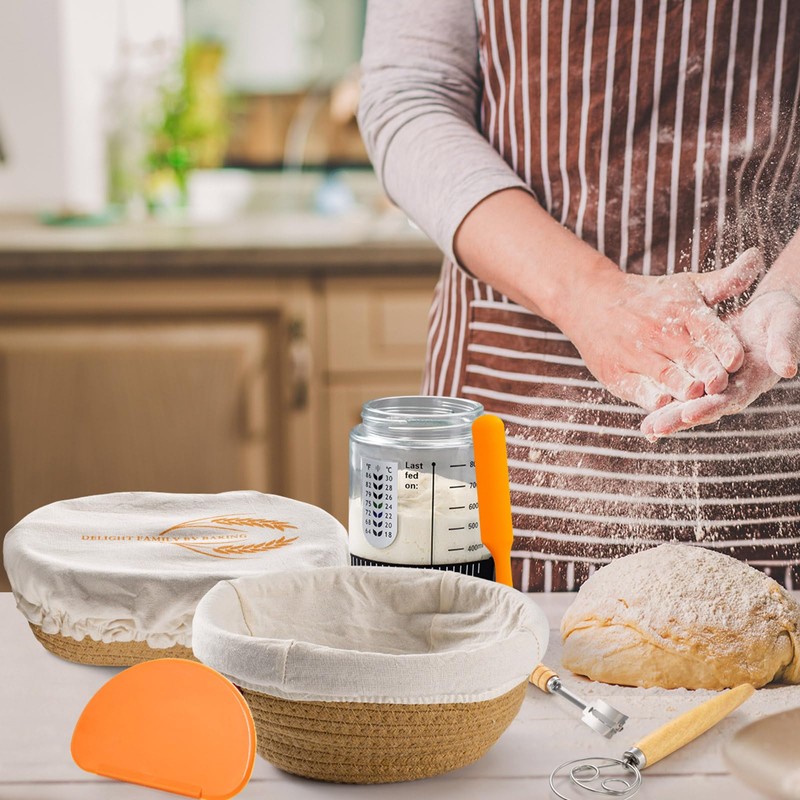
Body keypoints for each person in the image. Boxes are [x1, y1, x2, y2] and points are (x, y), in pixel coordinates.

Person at [357, 0, 800, 591]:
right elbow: (409, 98)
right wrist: (588, 296)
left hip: (771, 418)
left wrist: (787, 290)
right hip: (516, 416)